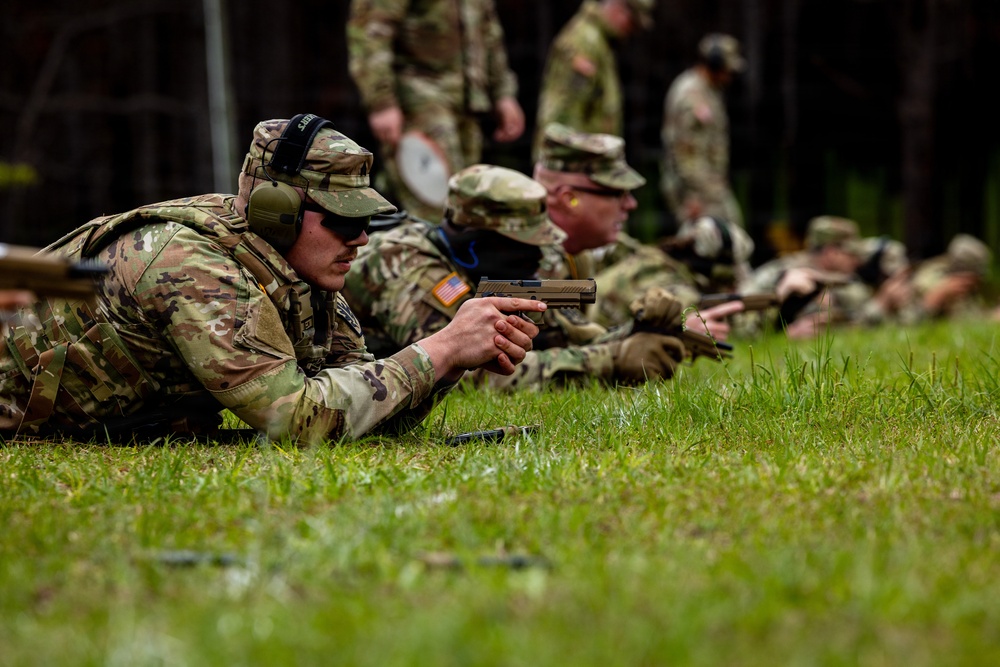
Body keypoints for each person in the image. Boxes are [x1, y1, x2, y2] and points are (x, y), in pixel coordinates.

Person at [0, 115, 543, 444]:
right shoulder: (191, 265)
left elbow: (364, 409)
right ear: (275, 210)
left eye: (366, 222)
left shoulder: (298, 274)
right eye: (344, 220)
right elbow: (298, 421)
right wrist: (441, 349)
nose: (361, 239)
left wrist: (452, 360)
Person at [342, 163, 690, 389]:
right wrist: (609, 362)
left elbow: (563, 335)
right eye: (526, 245)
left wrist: (636, 334)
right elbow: (462, 376)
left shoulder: (480, 269)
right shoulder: (410, 269)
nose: (538, 256)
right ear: (478, 243)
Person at [532, 123, 742, 340]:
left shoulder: (578, 254)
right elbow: (555, 352)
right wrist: (660, 335)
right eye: (616, 193)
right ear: (570, 200)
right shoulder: (531, 258)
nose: (630, 204)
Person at [347, 0, 525, 223]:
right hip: (417, 99)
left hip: (467, 103)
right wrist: (381, 101)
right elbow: (371, 30)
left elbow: (487, 30)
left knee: (464, 203)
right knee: (437, 209)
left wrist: (502, 93)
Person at [533, 0, 654, 158]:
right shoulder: (584, 42)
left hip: (587, 164)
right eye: (632, 22)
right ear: (619, 7)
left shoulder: (600, 42)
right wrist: (561, 169)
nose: (631, 30)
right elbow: (564, 114)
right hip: (573, 166)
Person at [660, 33, 746, 230]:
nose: (729, 75)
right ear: (714, 64)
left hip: (708, 187)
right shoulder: (692, 95)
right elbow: (686, 154)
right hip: (698, 191)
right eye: (727, 69)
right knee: (712, 243)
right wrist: (697, 196)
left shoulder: (708, 90)